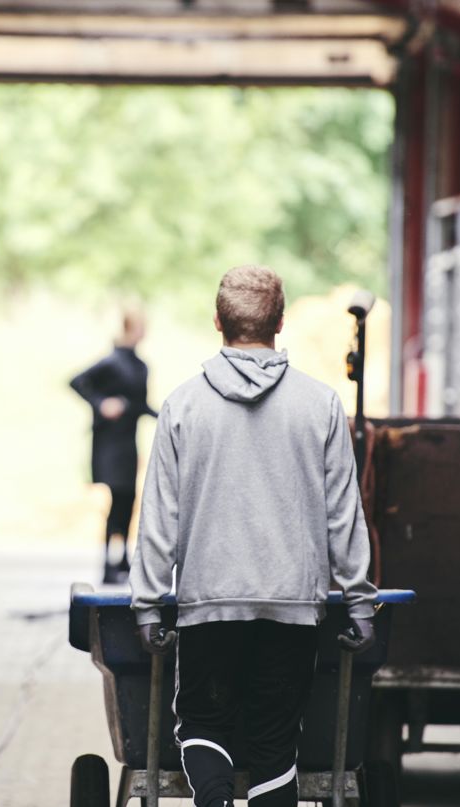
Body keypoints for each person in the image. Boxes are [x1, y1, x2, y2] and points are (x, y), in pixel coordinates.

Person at [129, 265, 377, 807]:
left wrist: (148, 606)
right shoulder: (321, 405)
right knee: (273, 744)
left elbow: (158, 520)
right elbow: (344, 513)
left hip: (209, 603)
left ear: (217, 321)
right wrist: (360, 601)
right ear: (280, 322)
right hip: (291, 605)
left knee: (203, 724)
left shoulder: (183, 406)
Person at [70, 306, 158, 584]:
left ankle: (122, 558)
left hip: (128, 442)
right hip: (109, 443)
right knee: (114, 498)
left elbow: (141, 404)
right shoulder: (111, 363)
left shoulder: (141, 366)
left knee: (128, 499)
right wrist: (101, 404)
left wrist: (165, 416)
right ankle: (108, 560)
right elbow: (77, 381)